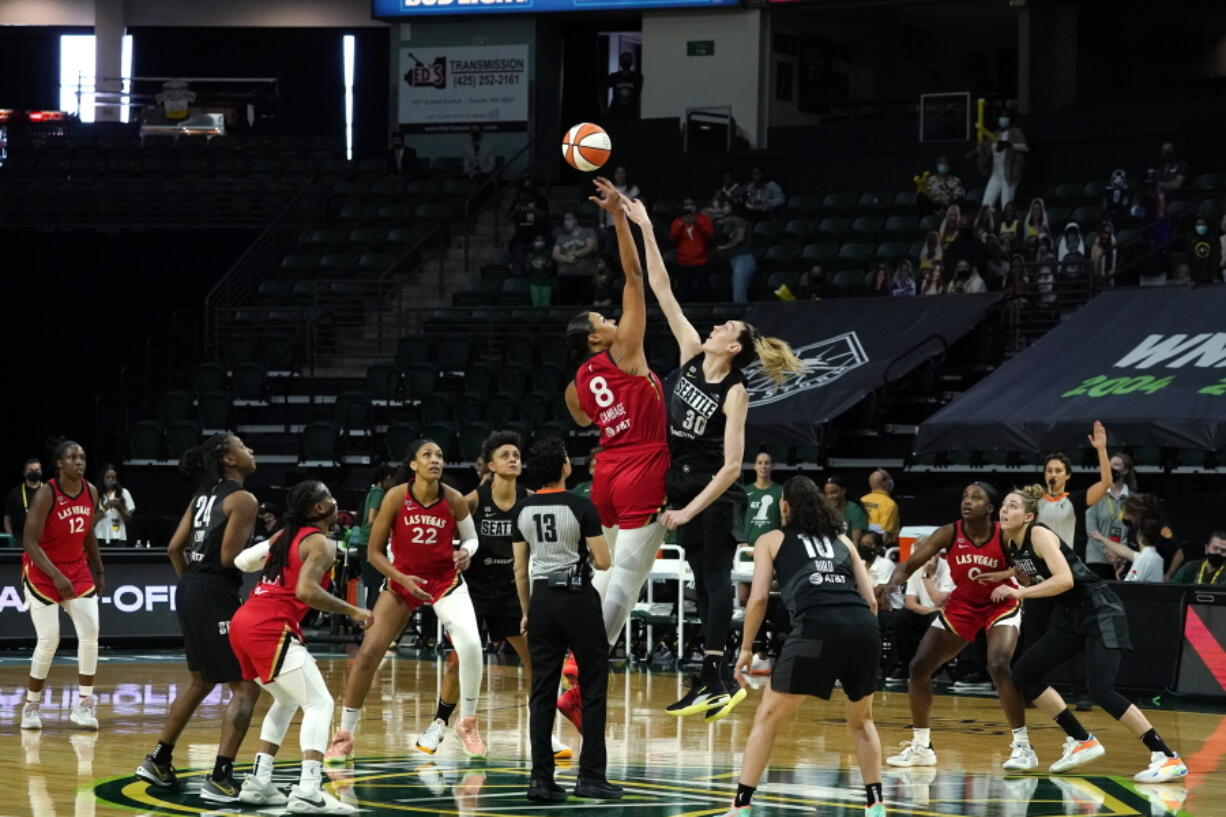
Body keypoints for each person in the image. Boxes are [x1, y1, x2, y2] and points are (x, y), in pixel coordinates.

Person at [624, 194, 804, 721]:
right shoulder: (689, 356)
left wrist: (688, 510)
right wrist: (644, 228)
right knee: (702, 588)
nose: (715, 329)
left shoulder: (736, 392)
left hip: (711, 491)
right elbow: (662, 289)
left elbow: (731, 467)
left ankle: (721, 676)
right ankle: (713, 679)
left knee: (714, 580)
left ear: (734, 348)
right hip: (679, 486)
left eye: (725, 330)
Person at [994, 485, 1187, 782]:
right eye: (1004, 505)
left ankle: (1166, 756)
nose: (1005, 510)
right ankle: (1081, 740)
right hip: (1069, 614)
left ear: (1029, 516)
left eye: (1013, 506)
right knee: (1024, 673)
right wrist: (1003, 576)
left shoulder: (1039, 534)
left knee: (1101, 690)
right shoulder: (1010, 541)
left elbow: (1065, 579)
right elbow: (1027, 569)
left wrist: (1020, 593)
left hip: (1099, 609)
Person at [726, 476, 884, 817]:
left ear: (784, 507)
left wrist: (746, 648)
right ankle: (875, 806)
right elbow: (871, 600)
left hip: (816, 630)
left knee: (767, 717)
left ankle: (740, 807)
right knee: (862, 721)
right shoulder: (843, 539)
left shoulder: (771, 539)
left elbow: (756, 601)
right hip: (863, 630)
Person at [324, 439, 485, 763]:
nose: (435, 459)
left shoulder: (454, 500)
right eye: (427, 455)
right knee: (369, 652)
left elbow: (471, 537)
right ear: (413, 464)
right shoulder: (396, 497)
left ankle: (467, 723)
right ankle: (344, 735)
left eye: (440, 455)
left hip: (444, 581)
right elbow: (373, 551)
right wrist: (401, 578)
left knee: (470, 646)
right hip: (402, 580)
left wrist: (466, 551)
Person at [563, 177, 670, 655]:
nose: (611, 319)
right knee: (625, 580)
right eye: (601, 321)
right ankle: (584, 667)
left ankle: (573, 650)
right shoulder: (625, 349)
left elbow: (585, 423)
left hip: (605, 471)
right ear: (594, 339)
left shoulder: (576, 383)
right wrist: (617, 217)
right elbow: (633, 276)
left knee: (600, 573)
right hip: (642, 465)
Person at [228, 480, 373, 815]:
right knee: (320, 703)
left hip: (244, 622)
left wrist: (272, 546)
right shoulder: (320, 542)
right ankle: (309, 790)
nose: (336, 501)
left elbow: (241, 562)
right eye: (330, 496)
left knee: (286, 699)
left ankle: (260, 782)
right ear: (320, 508)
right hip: (268, 625)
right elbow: (307, 592)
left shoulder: (283, 535)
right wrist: (354, 611)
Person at [135, 435, 263, 802]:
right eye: (243, 446)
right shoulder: (243, 499)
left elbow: (174, 547)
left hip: (190, 585)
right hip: (214, 590)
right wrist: (266, 551)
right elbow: (228, 560)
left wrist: (192, 584)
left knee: (201, 681)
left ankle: (159, 759)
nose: (250, 451)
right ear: (229, 459)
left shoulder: (202, 496)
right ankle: (221, 777)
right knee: (245, 686)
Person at [883, 482, 1034, 770]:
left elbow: (1027, 574)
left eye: (976, 498)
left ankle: (1023, 746)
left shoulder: (1005, 535)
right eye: (965, 496)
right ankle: (921, 747)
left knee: (999, 663)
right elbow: (909, 564)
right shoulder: (948, 532)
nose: (967, 501)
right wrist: (890, 584)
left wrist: (1015, 576)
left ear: (990, 509)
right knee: (918, 668)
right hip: (962, 606)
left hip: (999, 603)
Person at [513, 437, 619, 803]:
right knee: (593, 685)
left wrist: (527, 611)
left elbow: (519, 569)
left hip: (541, 600)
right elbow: (604, 562)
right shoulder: (580, 506)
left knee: (541, 692)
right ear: (564, 467)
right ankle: (591, 777)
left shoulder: (522, 510)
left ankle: (540, 780)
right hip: (576, 599)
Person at [464, 430, 572, 758]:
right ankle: (447, 722)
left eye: (516, 454)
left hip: (514, 590)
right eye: (505, 455)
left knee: (539, 664)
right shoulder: (472, 500)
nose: (514, 458)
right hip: (476, 589)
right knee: (463, 659)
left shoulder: (530, 499)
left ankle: (543, 734)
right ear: (490, 466)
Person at [19, 441, 103, 732]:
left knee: (90, 634)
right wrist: (56, 575)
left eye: (82, 456)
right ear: (59, 463)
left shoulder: (90, 491)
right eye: (72, 457)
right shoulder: (46, 493)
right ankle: (31, 706)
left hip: (77, 569)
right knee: (49, 638)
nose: (79, 461)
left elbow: (88, 532)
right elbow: (29, 542)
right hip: (44, 572)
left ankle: (84, 705)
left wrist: (99, 569)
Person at [1036, 425, 1112, 562]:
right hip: (1037, 564)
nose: (1053, 474)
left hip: (1065, 565)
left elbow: (1106, 483)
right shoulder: (1032, 501)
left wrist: (1101, 449)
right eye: (1049, 470)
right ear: (1044, 474)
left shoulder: (1074, 500)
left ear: (1068, 475)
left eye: (1058, 471)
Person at [350, 464, 397, 608]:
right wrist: (391, 530)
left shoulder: (374, 491)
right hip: (369, 544)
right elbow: (372, 518)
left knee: (376, 586)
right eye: (394, 480)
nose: (395, 484)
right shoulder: (378, 492)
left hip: (368, 544)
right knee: (376, 586)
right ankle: (373, 624)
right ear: (388, 478)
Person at [1083, 452, 1135, 580]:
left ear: (1126, 470)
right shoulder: (1097, 494)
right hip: (1097, 558)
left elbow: (1134, 530)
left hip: (1123, 561)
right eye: (1109, 465)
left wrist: (1119, 553)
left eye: (1117, 465)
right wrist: (1107, 551)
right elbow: (1091, 528)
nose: (1112, 468)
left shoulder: (1133, 499)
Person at [669, 196, 716, 302]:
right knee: (683, 291)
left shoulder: (704, 220)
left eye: (691, 204)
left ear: (696, 206)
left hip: (701, 260)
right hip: (683, 261)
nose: (689, 207)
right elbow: (673, 240)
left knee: (704, 290)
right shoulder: (677, 221)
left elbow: (709, 238)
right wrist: (681, 226)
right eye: (686, 204)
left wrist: (697, 224)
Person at [978, 110, 1028, 210]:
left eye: (1005, 117)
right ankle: (989, 223)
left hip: (1010, 172)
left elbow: (1025, 147)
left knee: (1006, 203)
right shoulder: (995, 133)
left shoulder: (1015, 131)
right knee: (986, 204)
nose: (1003, 119)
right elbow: (986, 148)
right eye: (1001, 116)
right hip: (995, 173)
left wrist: (1009, 145)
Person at [553, 210, 599, 305]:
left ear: (576, 220)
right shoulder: (561, 237)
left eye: (569, 219)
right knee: (568, 307)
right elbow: (555, 254)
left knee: (586, 306)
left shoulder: (588, 232)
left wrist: (574, 254)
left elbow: (590, 247)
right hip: (565, 276)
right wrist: (567, 259)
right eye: (564, 220)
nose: (566, 222)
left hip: (585, 276)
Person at [743, 452, 783, 549]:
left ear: (772, 466)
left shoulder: (780, 491)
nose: (763, 466)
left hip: (771, 550)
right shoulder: (745, 491)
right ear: (754, 466)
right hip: (747, 549)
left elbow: (784, 521)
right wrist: (742, 543)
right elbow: (737, 521)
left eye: (767, 463)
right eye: (760, 463)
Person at [716, 212, 756, 304]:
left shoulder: (741, 222)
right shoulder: (730, 226)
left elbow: (739, 238)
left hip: (744, 259)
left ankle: (742, 316)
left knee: (739, 294)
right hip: (734, 260)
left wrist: (724, 247)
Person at [93, 464, 134, 547]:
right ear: (102, 478)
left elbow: (129, 518)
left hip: (118, 537)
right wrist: (105, 507)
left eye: (113, 478)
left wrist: (120, 508)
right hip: (99, 536)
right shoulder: (95, 493)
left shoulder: (123, 493)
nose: (110, 480)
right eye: (107, 477)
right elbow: (92, 520)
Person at [6, 458, 44, 545]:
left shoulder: (48, 491)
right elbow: (7, 517)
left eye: (37, 470)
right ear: (24, 473)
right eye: (31, 470)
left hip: (44, 541)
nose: (34, 472)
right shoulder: (15, 492)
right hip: (20, 540)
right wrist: (10, 536)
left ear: (41, 472)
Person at [824, 475, 867, 544]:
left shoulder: (854, 509)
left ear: (843, 490)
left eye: (834, 492)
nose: (830, 497)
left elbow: (855, 540)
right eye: (827, 494)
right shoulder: (825, 510)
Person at [860, 469, 900, 545]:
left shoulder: (862, 500)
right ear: (884, 482)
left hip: (861, 546)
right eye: (889, 478)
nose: (891, 481)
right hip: (881, 548)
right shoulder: (889, 504)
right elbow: (885, 533)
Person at [603, 52, 643, 118]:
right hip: (615, 113)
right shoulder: (614, 76)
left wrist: (639, 111)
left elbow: (639, 95)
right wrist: (603, 109)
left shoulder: (637, 77)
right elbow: (601, 91)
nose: (626, 62)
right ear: (620, 62)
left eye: (628, 60)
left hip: (631, 113)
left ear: (631, 62)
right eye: (624, 60)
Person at [1186, 216, 1220, 286]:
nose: (1201, 227)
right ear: (1195, 226)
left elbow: (1216, 257)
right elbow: (1189, 258)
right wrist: (1191, 277)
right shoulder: (1190, 237)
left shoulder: (1213, 237)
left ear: (1207, 225)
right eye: (1198, 224)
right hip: (1196, 275)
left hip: (1212, 275)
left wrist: (1215, 276)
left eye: (1203, 224)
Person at [526, 235, 556, 307]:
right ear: (533, 242)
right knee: (536, 306)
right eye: (537, 240)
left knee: (546, 306)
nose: (539, 242)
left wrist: (544, 263)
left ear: (544, 242)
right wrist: (530, 264)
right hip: (534, 283)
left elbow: (550, 266)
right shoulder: (530, 254)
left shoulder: (548, 253)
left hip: (546, 283)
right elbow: (527, 269)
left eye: (541, 240)